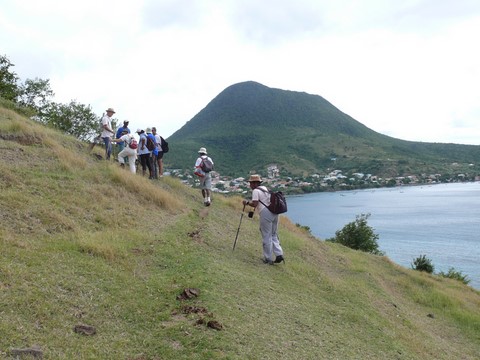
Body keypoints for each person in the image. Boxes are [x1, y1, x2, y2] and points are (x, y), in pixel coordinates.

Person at [242, 174, 285, 265]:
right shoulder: (265, 188)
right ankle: (279, 254)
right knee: (273, 234)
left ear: (254, 183)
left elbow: (255, 204)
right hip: (274, 212)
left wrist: (247, 203)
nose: (250, 185)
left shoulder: (255, 191)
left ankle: (268, 258)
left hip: (265, 213)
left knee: (266, 235)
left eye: (250, 183)